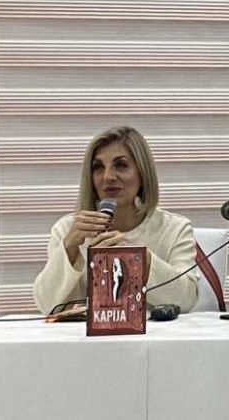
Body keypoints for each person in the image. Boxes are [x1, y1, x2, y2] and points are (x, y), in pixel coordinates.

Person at [32, 126, 198, 314]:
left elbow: (186, 301)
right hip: (83, 332)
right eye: (98, 167)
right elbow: (47, 306)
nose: (108, 177)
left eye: (121, 165)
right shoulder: (68, 229)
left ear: (142, 174)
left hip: (153, 332)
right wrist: (69, 247)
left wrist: (140, 260)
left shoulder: (174, 229)